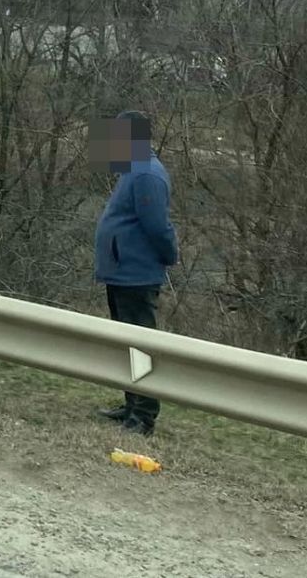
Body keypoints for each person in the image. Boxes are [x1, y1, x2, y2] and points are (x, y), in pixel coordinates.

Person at [91, 110, 178, 437]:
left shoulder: (147, 174)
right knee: (128, 344)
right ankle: (131, 405)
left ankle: (143, 415)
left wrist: (170, 256)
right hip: (122, 272)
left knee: (141, 344)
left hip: (136, 275)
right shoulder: (132, 169)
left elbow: (157, 227)